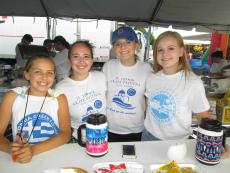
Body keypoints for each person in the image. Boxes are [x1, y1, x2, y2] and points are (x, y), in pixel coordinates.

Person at [0, 55, 71, 163]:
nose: (44, 77)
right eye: (38, 72)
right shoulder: (13, 96)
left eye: (49, 72)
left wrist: (32, 150)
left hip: (53, 154)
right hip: (22, 158)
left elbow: (65, 134)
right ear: (27, 74)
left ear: (54, 76)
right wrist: (11, 149)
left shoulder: (59, 97)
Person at [143, 31, 210, 141]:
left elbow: (203, 117)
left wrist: (214, 143)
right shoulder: (151, 78)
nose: (165, 54)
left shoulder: (193, 82)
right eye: (160, 50)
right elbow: (148, 106)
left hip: (178, 142)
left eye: (171, 48)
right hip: (148, 136)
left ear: (181, 51)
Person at [102, 26, 152, 142]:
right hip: (109, 128)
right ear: (114, 48)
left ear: (136, 44)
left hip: (136, 130)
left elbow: (149, 100)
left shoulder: (146, 69)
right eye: (118, 44)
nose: (123, 47)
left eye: (128, 42)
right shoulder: (108, 66)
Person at [55, 40, 106, 142]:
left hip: (103, 136)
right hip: (78, 140)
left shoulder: (101, 77)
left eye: (86, 56)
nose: (81, 61)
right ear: (69, 60)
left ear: (92, 60)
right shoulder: (60, 89)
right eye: (76, 56)